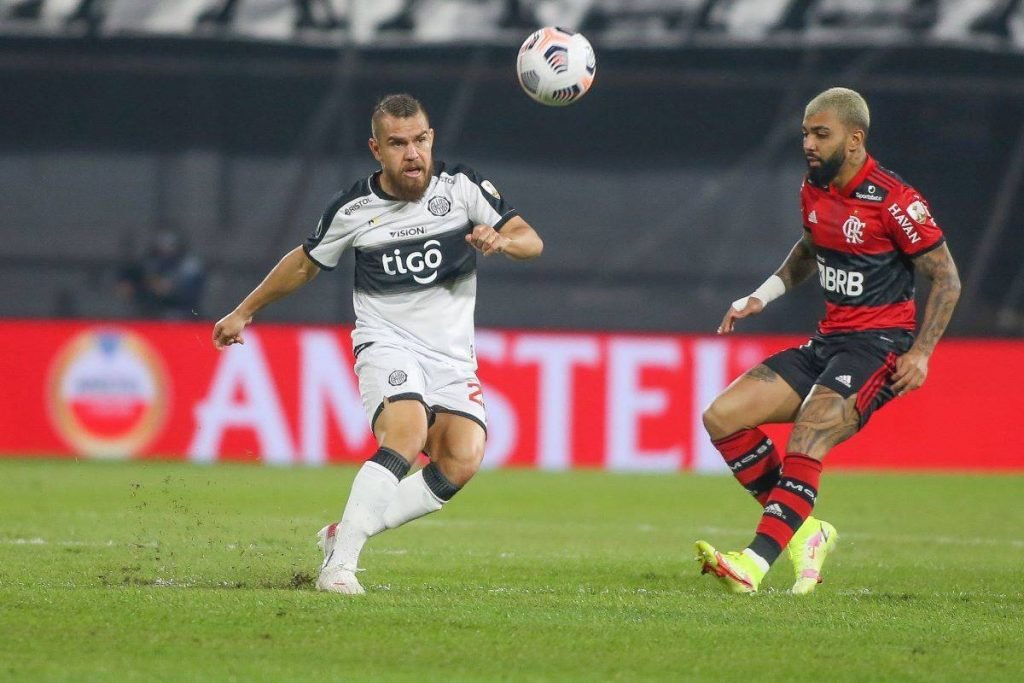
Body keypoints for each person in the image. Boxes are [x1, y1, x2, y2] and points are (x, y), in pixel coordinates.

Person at [211, 93, 543, 594]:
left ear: (431, 139)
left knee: (461, 458)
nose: (413, 154)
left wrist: (502, 241)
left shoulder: (461, 188)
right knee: (406, 435)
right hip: (387, 344)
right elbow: (304, 263)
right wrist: (244, 310)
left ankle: (342, 533)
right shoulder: (354, 209)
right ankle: (340, 566)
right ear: (376, 149)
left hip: (451, 357)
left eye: (420, 141)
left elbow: (529, 239)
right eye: (398, 144)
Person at [695, 87, 961, 594]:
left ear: (855, 139)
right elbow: (809, 246)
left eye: (822, 134)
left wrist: (922, 352)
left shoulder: (895, 201)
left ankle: (754, 562)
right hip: (827, 343)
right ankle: (806, 530)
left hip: (879, 348)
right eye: (805, 135)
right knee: (723, 416)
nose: (810, 144)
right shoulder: (814, 189)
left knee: (809, 433)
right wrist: (762, 296)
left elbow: (946, 277)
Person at [115, 230, 206, 320]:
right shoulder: (152, 262)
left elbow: (190, 293)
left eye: (170, 246)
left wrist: (170, 289)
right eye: (163, 246)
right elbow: (139, 277)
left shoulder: (189, 266)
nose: (166, 250)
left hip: (181, 310)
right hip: (153, 308)